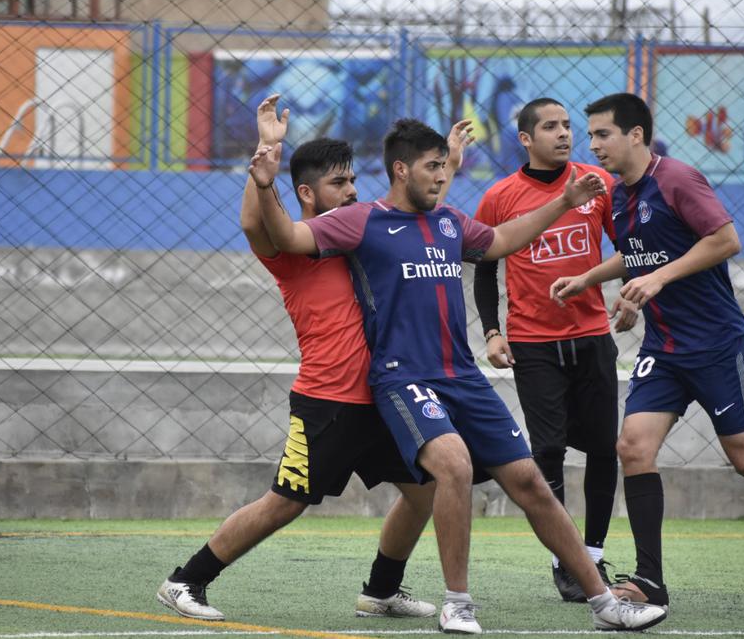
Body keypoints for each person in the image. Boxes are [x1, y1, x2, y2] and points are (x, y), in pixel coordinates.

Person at [250, 109, 669, 634]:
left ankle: (604, 602)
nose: (442, 175)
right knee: (454, 466)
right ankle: (458, 602)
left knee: (531, 483)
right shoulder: (364, 220)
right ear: (402, 171)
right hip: (403, 379)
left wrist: (562, 201)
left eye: (446, 166)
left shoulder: (449, 222)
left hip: (463, 378)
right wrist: (263, 182)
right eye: (432, 167)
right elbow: (287, 237)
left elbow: (500, 242)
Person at [157, 96, 475, 622]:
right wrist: (267, 156)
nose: (352, 190)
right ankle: (185, 581)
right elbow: (252, 223)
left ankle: (380, 591)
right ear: (306, 192)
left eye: (353, 180)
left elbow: (412, 205)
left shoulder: (355, 232)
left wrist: (449, 160)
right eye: (339, 182)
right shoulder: (292, 250)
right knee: (286, 502)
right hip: (327, 403)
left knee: (426, 490)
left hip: (381, 396)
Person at [551, 92, 744, 616]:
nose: (592, 144)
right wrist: (592, 278)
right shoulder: (617, 194)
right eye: (590, 135)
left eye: (602, 134)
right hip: (664, 350)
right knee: (633, 447)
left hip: (715, 347)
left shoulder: (678, 179)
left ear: (635, 134)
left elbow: (725, 240)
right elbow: (638, 253)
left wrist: (657, 279)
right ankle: (650, 582)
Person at [472, 97, 638, 602]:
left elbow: (631, 246)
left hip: (591, 338)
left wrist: (630, 293)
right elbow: (484, 266)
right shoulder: (500, 196)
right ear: (526, 139)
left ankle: (592, 555)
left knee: (603, 451)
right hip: (533, 344)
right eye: (551, 127)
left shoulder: (598, 183)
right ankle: (563, 558)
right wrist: (492, 331)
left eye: (568, 126)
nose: (564, 134)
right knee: (546, 450)